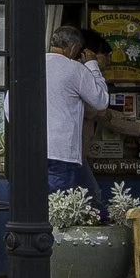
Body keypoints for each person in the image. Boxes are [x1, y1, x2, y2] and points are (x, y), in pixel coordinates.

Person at [45, 24, 109, 197]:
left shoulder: (30, 67)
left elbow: (8, 107)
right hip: (63, 152)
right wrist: (92, 65)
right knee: (60, 205)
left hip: (32, 149)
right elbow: (101, 101)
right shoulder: (75, 69)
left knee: (38, 203)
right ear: (73, 48)